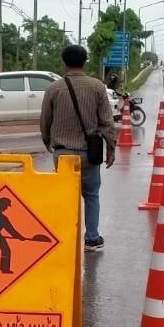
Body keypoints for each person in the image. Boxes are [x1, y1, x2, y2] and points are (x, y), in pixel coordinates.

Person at [39, 44, 116, 252]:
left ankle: (65, 237)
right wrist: (111, 148)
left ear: (64, 63)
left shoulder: (54, 89)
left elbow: (45, 120)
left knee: (66, 195)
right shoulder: (97, 87)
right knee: (91, 195)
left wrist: (47, 141)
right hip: (89, 153)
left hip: (62, 153)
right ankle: (91, 238)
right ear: (85, 62)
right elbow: (107, 122)